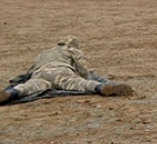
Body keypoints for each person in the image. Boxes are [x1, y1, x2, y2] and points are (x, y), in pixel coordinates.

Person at [0, 36, 133, 105]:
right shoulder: (71, 50)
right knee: (82, 84)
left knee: (27, 87)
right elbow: (83, 70)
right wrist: (88, 78)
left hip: (41, 73)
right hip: (62, 72)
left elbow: (30, 71)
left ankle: (10, 93)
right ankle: (102, 88)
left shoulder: (45, 53)